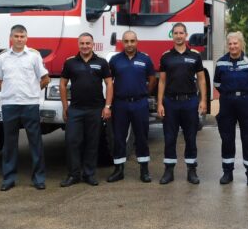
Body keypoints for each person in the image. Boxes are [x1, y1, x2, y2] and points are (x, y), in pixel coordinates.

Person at [0, 25, 50, 191]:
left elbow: (45, 79)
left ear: (27, 38)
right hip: (9, 105)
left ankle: (39, 178)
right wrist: (10, 91)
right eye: (16, 36)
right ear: (11, 38)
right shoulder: (2, 58)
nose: (19, 39)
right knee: (9, 144)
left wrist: (33, 91)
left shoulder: (34, 57)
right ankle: (8, 179)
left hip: (30, 104)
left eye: (22, 36)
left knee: (35, 143)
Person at [59, 33, 113, 187]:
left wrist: (107, 106)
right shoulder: (70, 63)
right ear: (78, 45)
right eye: (82, 43)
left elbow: (109, 84)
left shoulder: (101, 62)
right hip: (75, 109)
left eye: (87, 43)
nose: (85, 46)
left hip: (95, 109)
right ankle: (73, 175)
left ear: (93, 44)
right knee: (72, 142)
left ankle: (89, 174)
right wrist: (65, 107)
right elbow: (63, 84)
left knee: (92, 142)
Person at [157, 22, 207, 185]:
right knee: (169, 137)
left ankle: (192, 171)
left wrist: (203, 100)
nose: (179, 36)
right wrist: (160, 103)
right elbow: (162, 82)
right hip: (170, 103)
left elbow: (201, 79)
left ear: (186, 35)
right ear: (172, 35)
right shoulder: (165, 56)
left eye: (181, 33)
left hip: (190, 102)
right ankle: (169, 171)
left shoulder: (195, 56)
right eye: (176, 33)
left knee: (190, 137)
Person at [213, 31, 248, 186]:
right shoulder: (221, 62)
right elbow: (217, 84)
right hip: (227, 102)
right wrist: (230, 94)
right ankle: (227, 172)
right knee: (227, 138)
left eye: (236, 43)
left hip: (246, 102)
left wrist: (245, 94)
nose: (233, 46)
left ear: (241, 44)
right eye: (230, 44)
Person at [107, 30, 156, 183]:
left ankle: (144, 170)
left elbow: (152, 79)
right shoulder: (115, 60)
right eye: (126, 41)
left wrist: (143, 93)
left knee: (142, 136)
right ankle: (118, 169)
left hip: (140, 103)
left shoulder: (145, 59)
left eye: (132, 41)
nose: (129, 44)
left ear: (137, 42)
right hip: (120, 103)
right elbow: (109, 81)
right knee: (119, 137)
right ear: (122, 42)